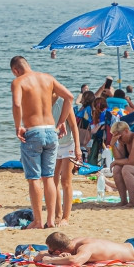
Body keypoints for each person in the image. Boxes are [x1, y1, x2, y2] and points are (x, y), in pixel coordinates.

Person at [10, 55, 74, 229]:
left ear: (15, 70)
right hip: (51, 131)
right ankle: (51, 220)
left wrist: (18, 126)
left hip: (33, 132)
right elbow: (69, 97)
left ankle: (38, 221)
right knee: (49, 178)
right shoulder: (48, 78)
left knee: (34, 179)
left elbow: (17, 104)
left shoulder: (18, 82)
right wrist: (61, 121)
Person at [52, 95, 82, 227]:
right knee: (52, 181)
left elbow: (74, 126)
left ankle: (66, 217)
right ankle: (58, 215)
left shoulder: (64, 103)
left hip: (68, 144)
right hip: (53, 144)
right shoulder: (42, 101)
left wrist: (77, 148)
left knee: (65, 181)